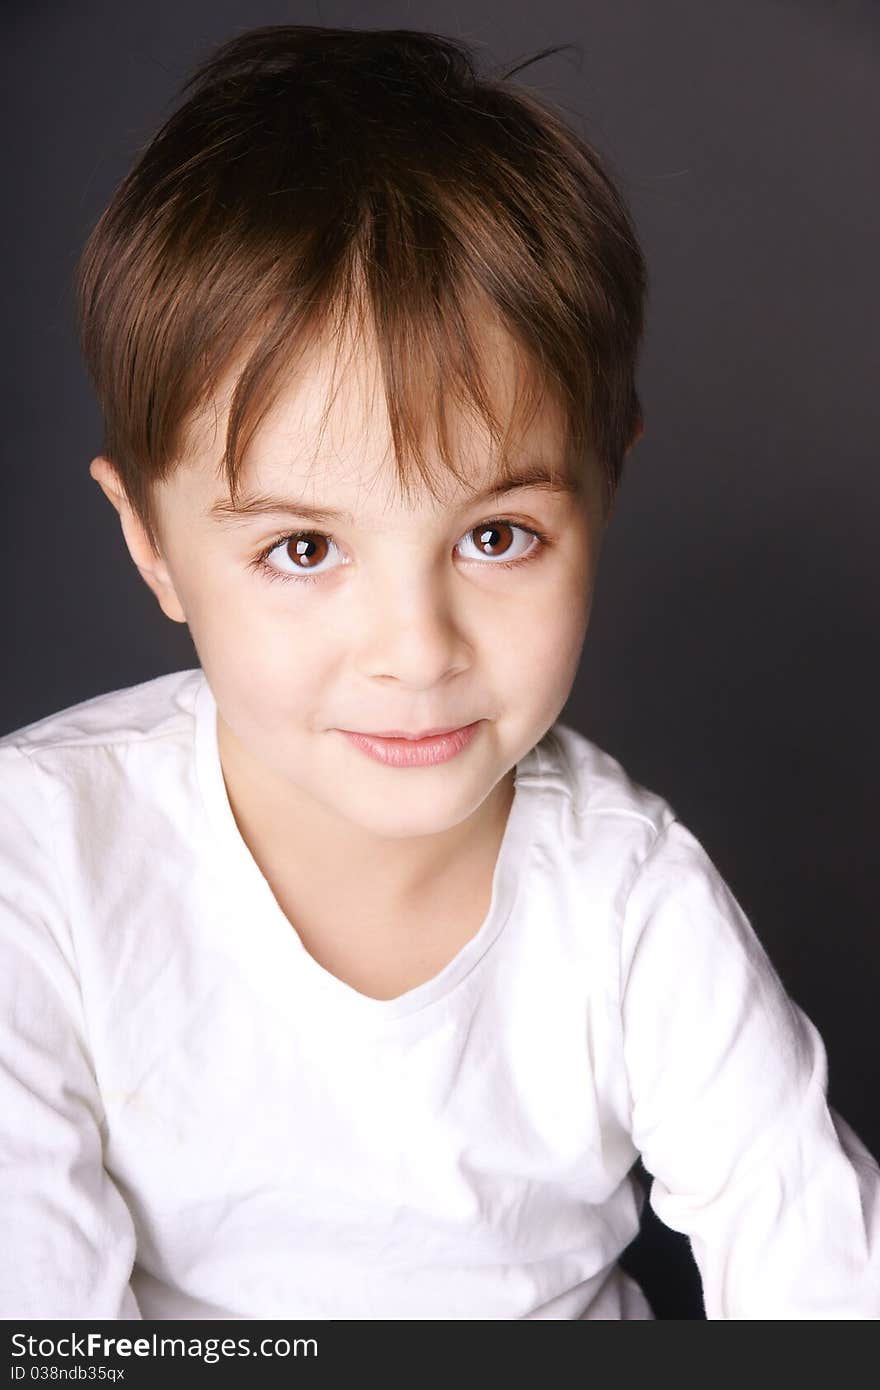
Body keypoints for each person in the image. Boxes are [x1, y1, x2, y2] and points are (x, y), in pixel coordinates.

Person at [1, 23, 877, 1322]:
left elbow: (821, 1272)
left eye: (496, 535)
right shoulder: (43, 863)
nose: (416, 650)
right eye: (304, 547)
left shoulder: (627, 895)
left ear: (603, 491)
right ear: (153, 545)